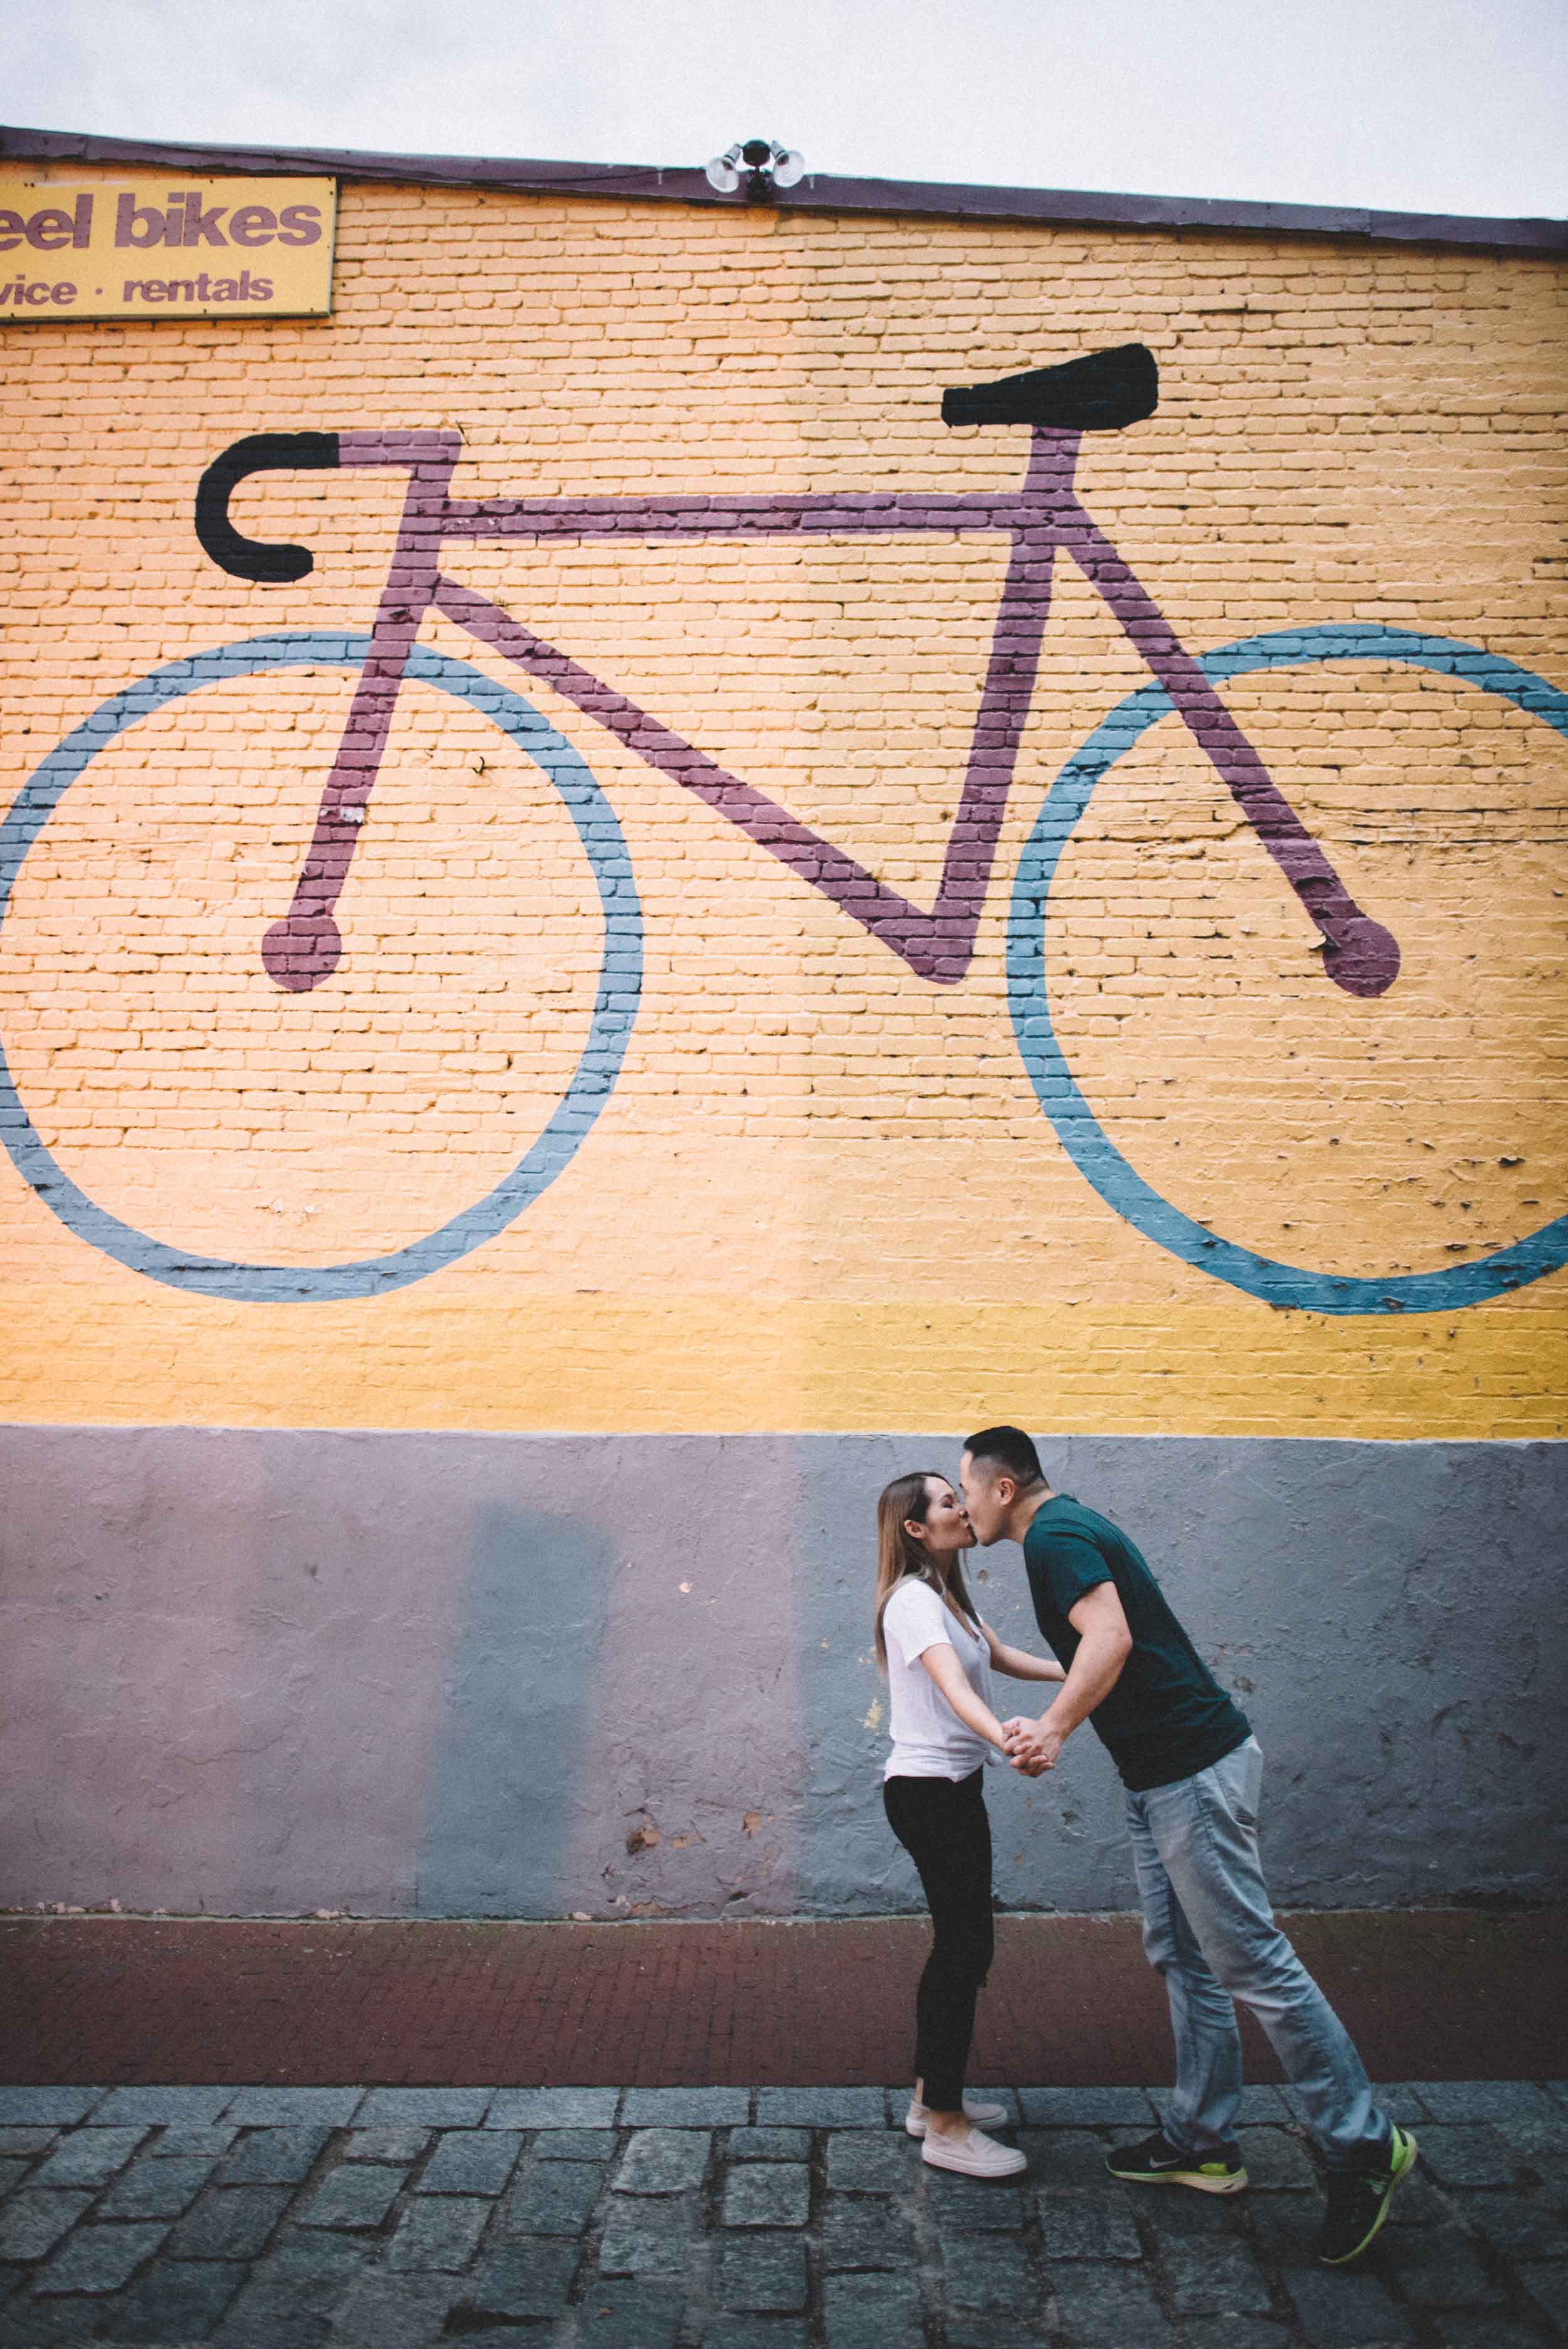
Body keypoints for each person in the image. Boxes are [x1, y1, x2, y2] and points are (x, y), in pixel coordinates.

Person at [957, 1426, 1419, 2267]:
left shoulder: (1053, 1537)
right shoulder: (1072, 1526)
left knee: (1253, 1961)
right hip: (1167, 1775)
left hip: (1190, 1773)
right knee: (1184, 1953)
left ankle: (1363, 2145)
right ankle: (1203, 2140)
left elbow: (1111, 1638)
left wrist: (1056, 1730)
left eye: (967, 1489)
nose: (962, 1505)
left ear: (1001, 1487)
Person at [874, 1468, 1065, 2178]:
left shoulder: (947, 1595)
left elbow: (998, 1656)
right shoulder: (913, 1601)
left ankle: (931, 2098)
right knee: (962, 1950)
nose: (963, 1505)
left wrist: (1077, 1674)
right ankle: (946, 2126)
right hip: (930, 1793)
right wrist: (1009, 1740)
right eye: (948, 1500)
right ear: (917, 1528)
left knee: (965, 1945)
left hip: (950, 1788)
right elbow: (955, 1690)